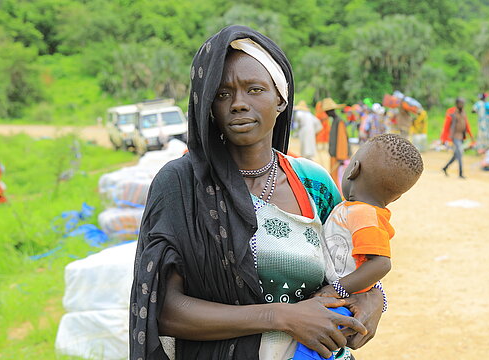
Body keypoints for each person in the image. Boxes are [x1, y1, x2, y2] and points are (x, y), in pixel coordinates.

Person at [130, 26, 385, 360]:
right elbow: (164, 309)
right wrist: (282, 316)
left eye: (254, 89)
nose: (238, 104)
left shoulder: (314, 183)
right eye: (222, 94)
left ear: (280, 99)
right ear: (208, 106)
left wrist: (375, 299)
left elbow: (353, 265)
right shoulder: (181, 185)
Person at [317, 134, 423, 299]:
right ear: (396, 198)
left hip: (344, 302)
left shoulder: (364, 214)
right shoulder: (354, 209)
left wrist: (336, 290)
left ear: (354, 169)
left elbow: (381, 264)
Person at [441, 97, 474, 179]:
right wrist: (444, 139)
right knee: (460, 152)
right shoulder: (452, 113)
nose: (462, 105)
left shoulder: (463, 113)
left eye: (463, 103)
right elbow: (446, 126)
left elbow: (467, 125)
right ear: (457, 104)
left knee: (456, 155)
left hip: (461, 136)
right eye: (460, 103)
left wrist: (471, 135)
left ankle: (445, 167)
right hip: (455, 136)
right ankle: (460, 173)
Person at [324, 97, 350, 187]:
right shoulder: (334, 121)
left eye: (327, 111)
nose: (326, 113)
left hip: (339, 157)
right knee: (334, 178)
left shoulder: (339, 122)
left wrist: (341, 157)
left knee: (339, 180)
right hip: (334, 156)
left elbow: (342, 140)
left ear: (331, 110)